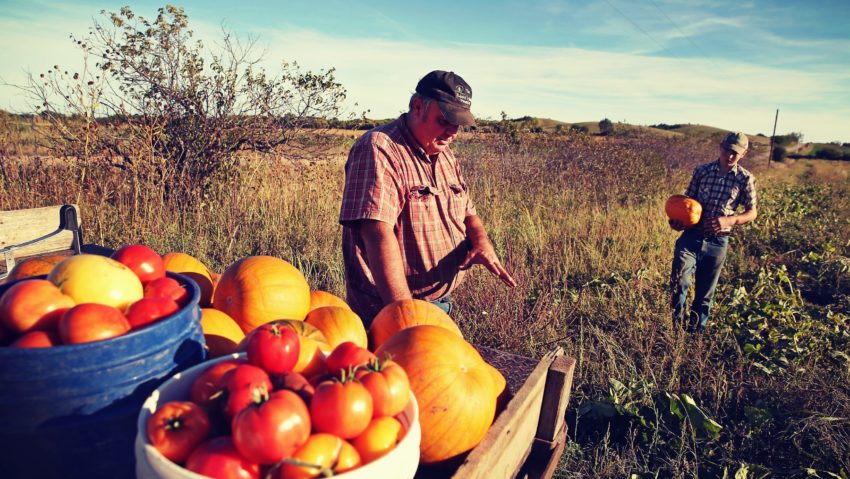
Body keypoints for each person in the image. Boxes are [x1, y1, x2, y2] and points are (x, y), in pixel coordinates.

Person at [339, 70, 517, 325]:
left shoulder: (446, 155)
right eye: (444, 120)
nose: (452, 132)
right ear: (417, 106)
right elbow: (376, 233)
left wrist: (481, 241)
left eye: (458, 124)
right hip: (388, 310)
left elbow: (468, 212)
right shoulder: (379, 148)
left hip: (437, 305)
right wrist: (404, 316)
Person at [669, 131, 758, 332]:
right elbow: (687, 202)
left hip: (718, 242)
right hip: (691, 236)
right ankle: (675, 330)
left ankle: (695, 335)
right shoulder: (702, 171)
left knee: (704, 294)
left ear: (744, 154)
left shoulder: (745, 179)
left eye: (736, 153)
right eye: (727, 150)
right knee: (679, 284)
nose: (730, 156)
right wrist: (679, 221)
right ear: (721, 147)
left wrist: (731, 219)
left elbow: (752, 212)